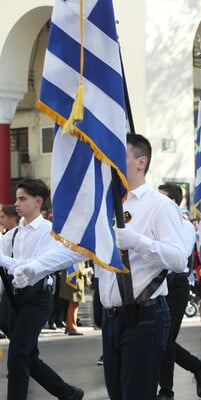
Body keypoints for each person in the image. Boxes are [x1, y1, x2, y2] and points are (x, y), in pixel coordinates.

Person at [9, 134, 189, 399]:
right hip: (112, 318)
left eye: (120, 155)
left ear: (141, 162)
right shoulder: (105, 205)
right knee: (117, 393)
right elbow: (75, 249)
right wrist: (36, 267)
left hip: (145, 315)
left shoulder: (160, 206)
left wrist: (137, 241)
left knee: (136, 394)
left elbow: (178, 259)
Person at [0, 178, 84, 399]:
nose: (16, 203)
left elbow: (32, 267)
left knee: (18, 355)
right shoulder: (14, 233)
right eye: (16, 199)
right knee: (27, 354)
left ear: (38, 202)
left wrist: (5, 262)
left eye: (22, 199)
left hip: (36, 297)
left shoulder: (50, 231)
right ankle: (67, 393)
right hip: (13, 297)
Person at [157, 182, 201, 400]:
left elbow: (177, 258)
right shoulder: (156, 222)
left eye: (161, 197)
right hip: (156, 284)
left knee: (166, 339)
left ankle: (167, 391)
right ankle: (197, 366)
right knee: (158, 338)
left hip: (176, 286)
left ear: (173, 202)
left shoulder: (185, 226)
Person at [0, 205, 19, 339]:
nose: (1, 220)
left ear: (12, 219)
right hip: (9, 284)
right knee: (5, 321)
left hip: (19, 283)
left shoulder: (15, 236)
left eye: (3, 217)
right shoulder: (7, 237)